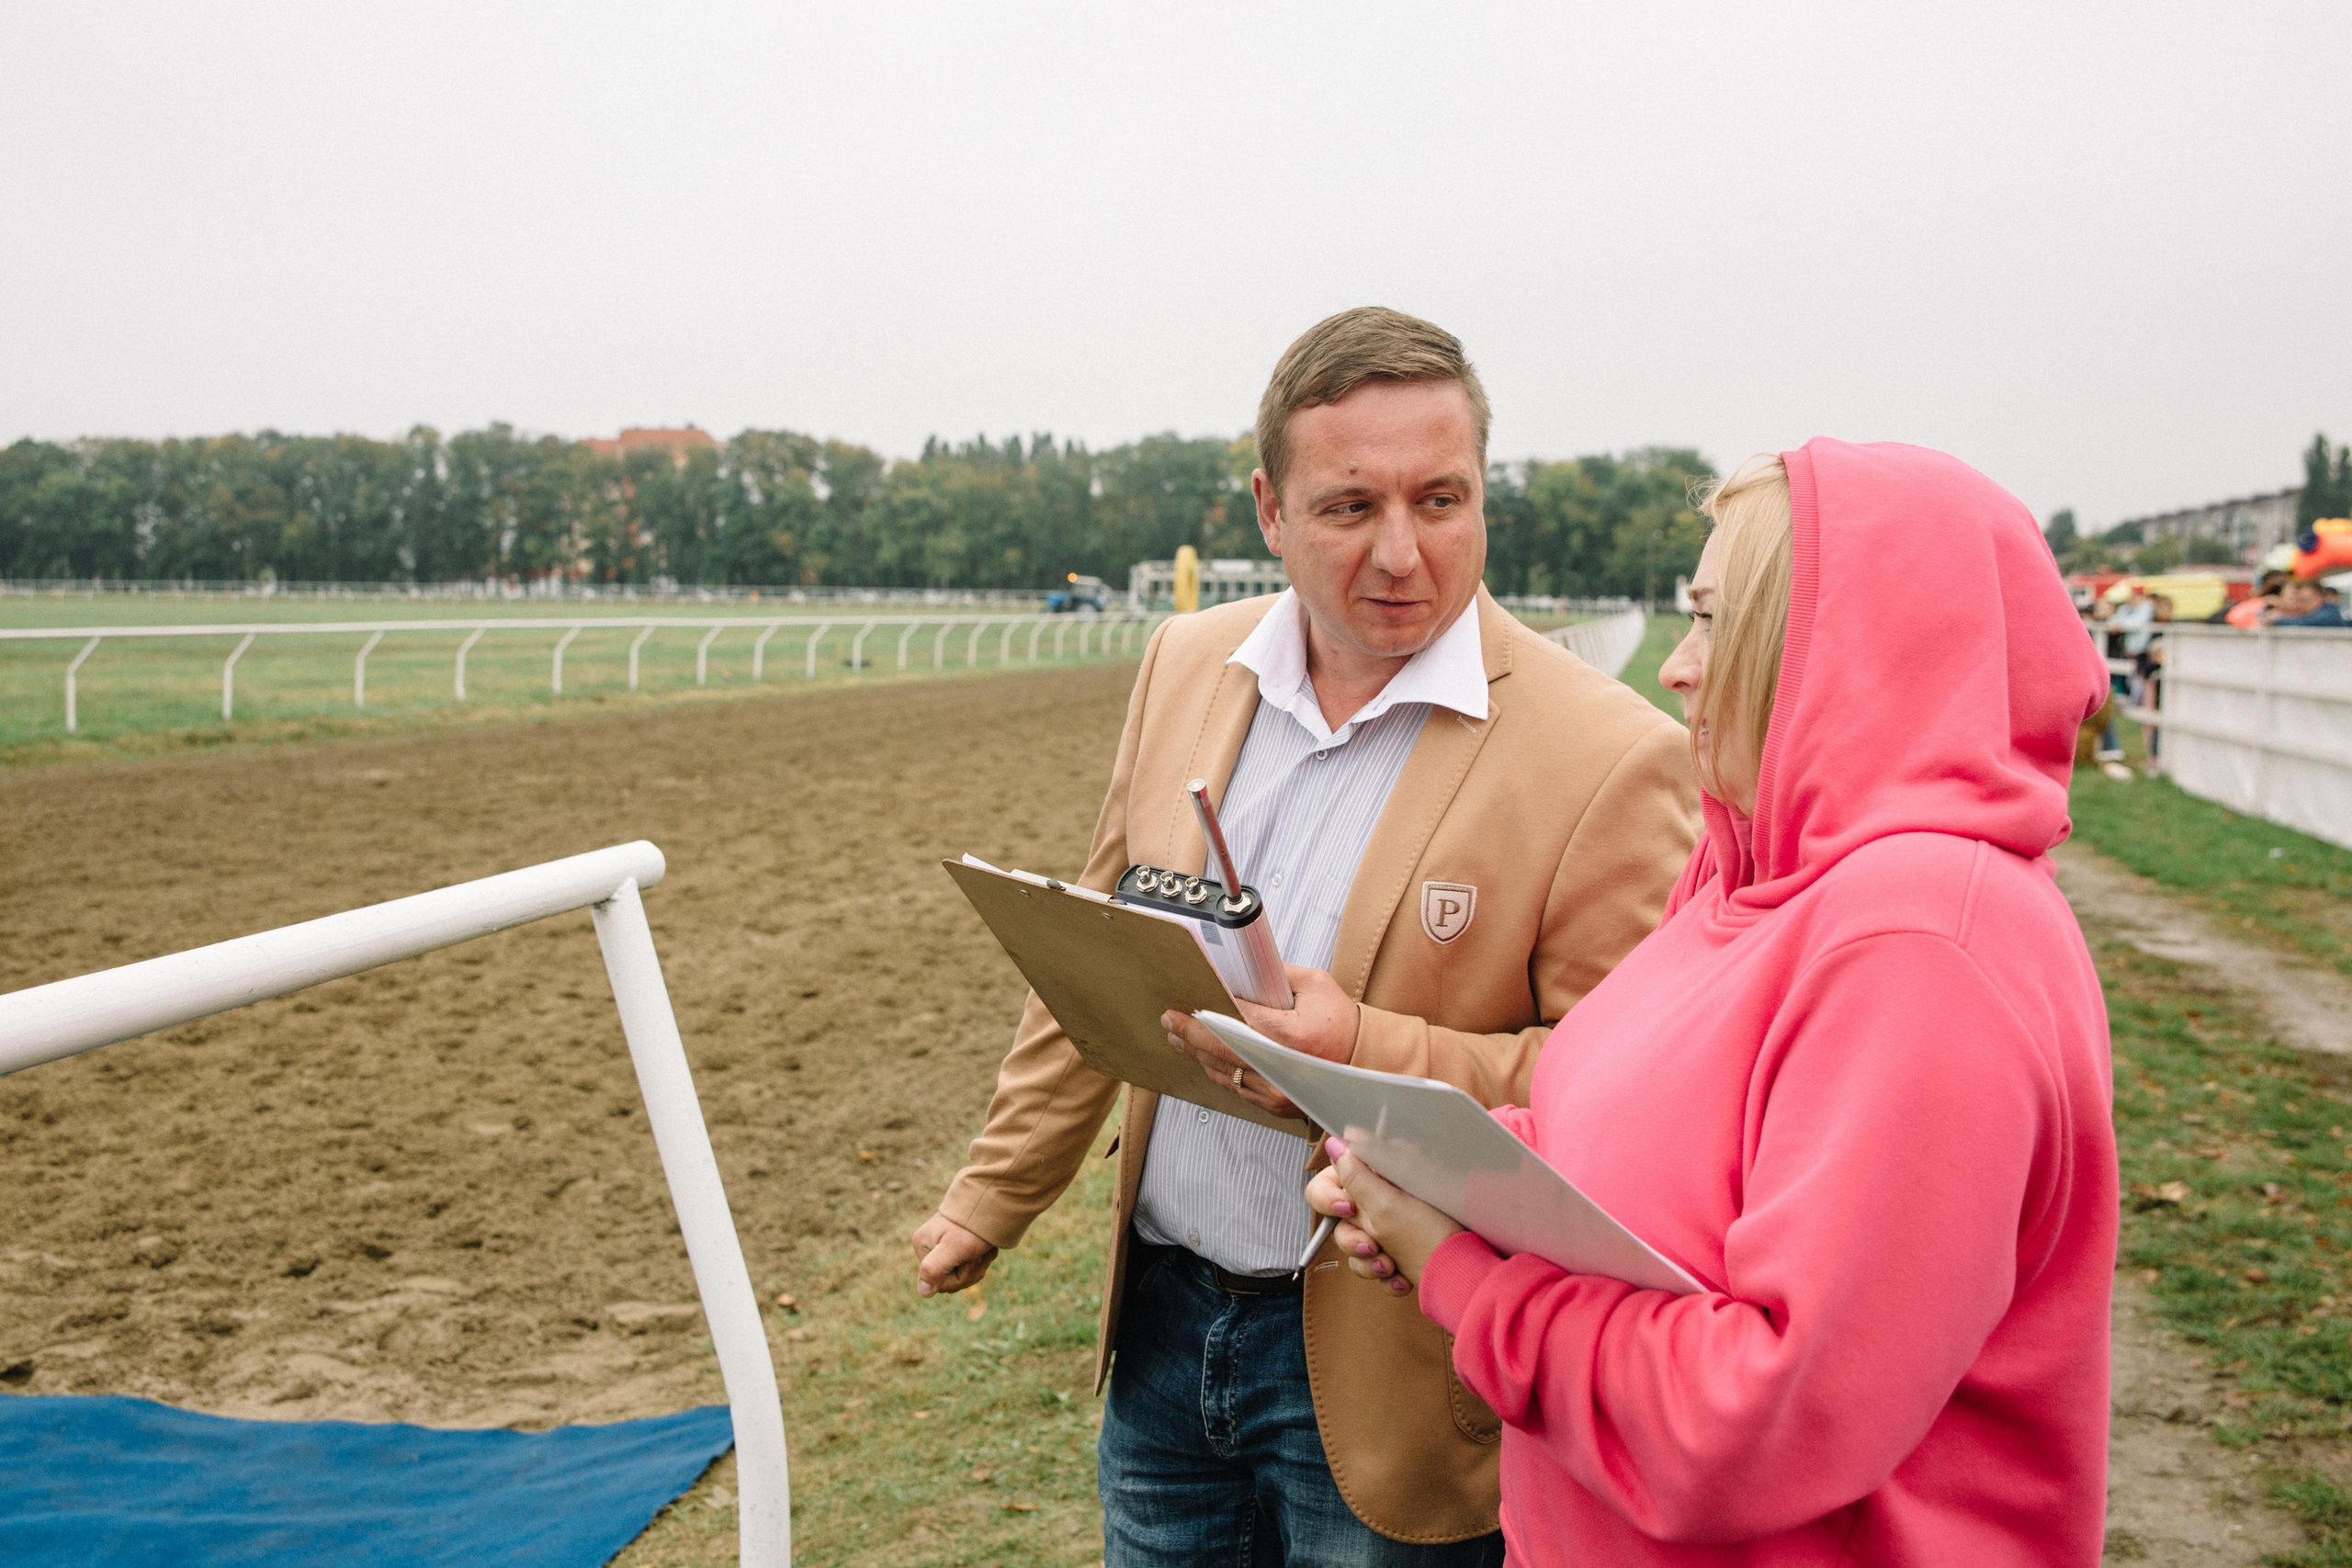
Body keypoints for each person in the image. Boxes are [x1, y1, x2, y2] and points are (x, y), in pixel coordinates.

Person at [910, 307, 1701, 1564]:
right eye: (1349, 507)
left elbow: (1627, 1097)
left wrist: (1360, 1049)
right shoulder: (1185, 657)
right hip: (1165, 1332)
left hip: (1403, 1369)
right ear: (1269, 511)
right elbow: (1096, 948)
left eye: (1440, 500)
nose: (1402, 553)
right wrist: (996, 1191)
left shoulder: (1611, 755)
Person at [1308, 440, 2118, 1564]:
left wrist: (1461, 1273)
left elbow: (1753, 1427)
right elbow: (1637, 1146)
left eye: (1709, 621)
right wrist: (1449, 1170)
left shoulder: (1919, 943)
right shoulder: (1745, 873)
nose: (1678, 669)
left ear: (1843, 648)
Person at [2267, 578, 2347, 627]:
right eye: (2299, 600)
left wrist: (2277, 620)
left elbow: (2311, 623)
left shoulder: (2329, 611)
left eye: (2306, 600)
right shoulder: (2307, 613)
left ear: (2319, 597)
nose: (2302, 604)